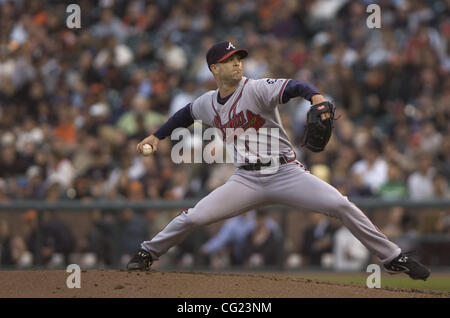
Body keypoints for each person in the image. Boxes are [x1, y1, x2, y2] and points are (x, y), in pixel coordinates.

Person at [127, 41, 430, 280]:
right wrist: (157, 136)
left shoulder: (256, 88)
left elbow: (296, 86)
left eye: (238, 58)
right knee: (193, 216)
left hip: (286, 172)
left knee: (341, 204)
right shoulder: (208, 103)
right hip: (245, 179)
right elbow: (186, 114)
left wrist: (317, 99)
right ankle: (147, 252)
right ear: (214, 69)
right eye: (229, 60)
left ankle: (392, 258)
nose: (237, 63)